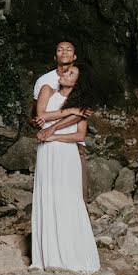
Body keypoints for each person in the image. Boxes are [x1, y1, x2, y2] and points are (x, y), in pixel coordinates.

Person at [29, 65, 100, 273]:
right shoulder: (47, 91)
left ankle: (71, 254)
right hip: (46, 152)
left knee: (68, 198)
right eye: (65, 72)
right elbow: (39, 115)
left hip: (66, 153)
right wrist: (65, 113)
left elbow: (79, 136)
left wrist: (53, 134)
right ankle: (46, 257)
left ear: (77, 83)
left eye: (71, 74)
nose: (65, 74)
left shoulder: (82, 106)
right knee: (47, 196)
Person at [30, 41, 91, 203]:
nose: (64, 52)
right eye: (60, 49)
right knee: (49, 190)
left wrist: (54, 129)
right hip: (49, 142)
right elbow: (36, 114)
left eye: (69, 49)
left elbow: (82, 114)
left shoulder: (81, 80)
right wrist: (40, 122)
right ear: (54, 55)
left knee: (77, 192)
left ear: (75, 55)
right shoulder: (45, 81)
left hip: (72, 144)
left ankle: (77, 224)